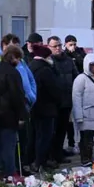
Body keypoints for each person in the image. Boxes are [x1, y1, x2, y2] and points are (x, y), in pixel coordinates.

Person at [0, 44, 28, 179]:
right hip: (8, 114)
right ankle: (11, 172)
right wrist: (22, 115)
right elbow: (17, 96)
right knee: (9, 145)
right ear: (13, 57)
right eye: (18, 58)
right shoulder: (13, 73)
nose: (19, 61)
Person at [27, 43, 64, 172]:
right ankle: (39, 162)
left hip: (35, 108)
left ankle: (38, 161)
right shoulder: (45, 70)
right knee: (44, 137)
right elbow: (53, 89)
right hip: (46, 108)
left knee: (37, 135)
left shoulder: (31, 66)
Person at [47, 36, 77, 163]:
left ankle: (58, 154)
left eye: (59, 45)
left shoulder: (69, 61)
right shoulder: (48, 61)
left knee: (62, 130)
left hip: (67, 101)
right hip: (54, 103)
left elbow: (76, 77)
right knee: (52, 132)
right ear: (49, 47)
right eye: (55, 46)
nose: (58, 48)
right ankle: (51, 155)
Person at [62, 35, 85, 152]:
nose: (73, 47)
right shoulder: (63, 55)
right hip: (69, 90)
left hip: (80, 88)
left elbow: (84, 65)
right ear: (65, 44)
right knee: (70, 119)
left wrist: (75, 55)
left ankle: (81, 141)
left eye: (74, 44)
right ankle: (71, 142)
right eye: (70, 44)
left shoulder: (80, 53)